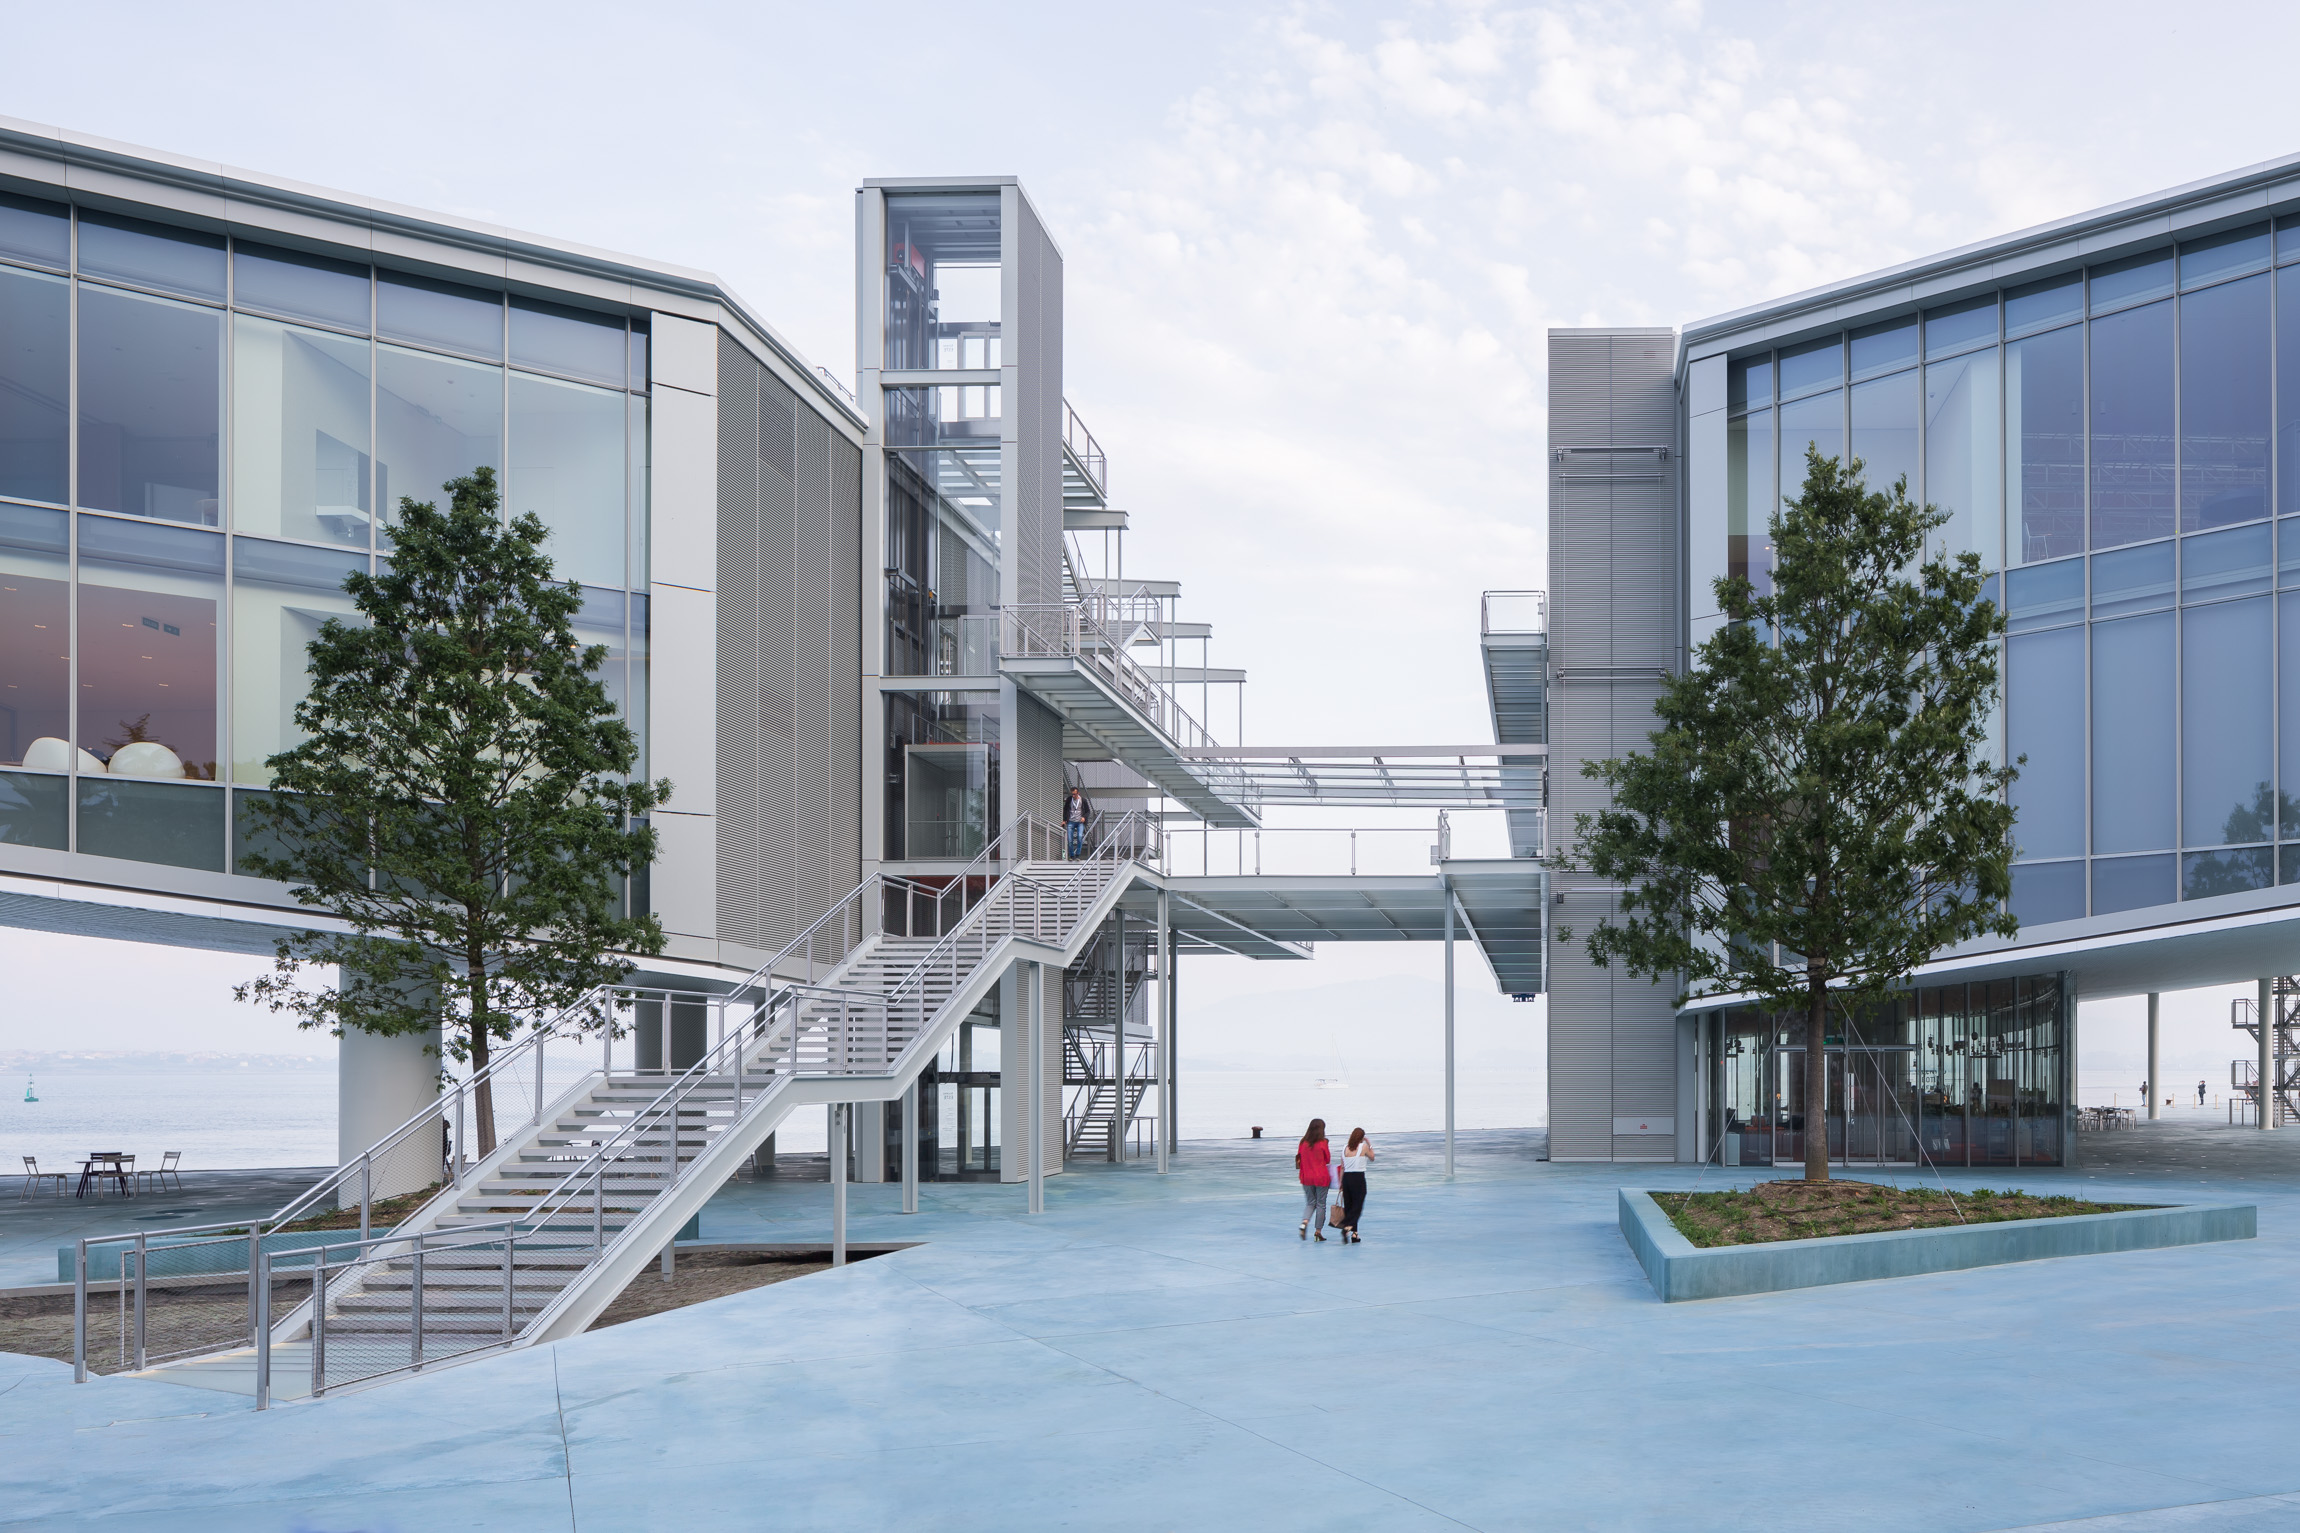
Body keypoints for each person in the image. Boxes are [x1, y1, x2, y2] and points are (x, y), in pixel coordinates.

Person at [1295, 1118, 1331, 1241]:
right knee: (1321, 1204)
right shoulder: (1323, 1143)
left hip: (1306, 1176)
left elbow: (1299, 1158)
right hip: (1321, 1176)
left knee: (1310, 1203)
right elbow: (1327, 1160)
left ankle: (1304, 1222)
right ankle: (1318, 1232)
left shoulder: (1302, 1143)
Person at [1338, 1127, 1374, 1243]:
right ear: (1361, 1138)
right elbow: (1372, 1157)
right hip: (1358, 1178)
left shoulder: (1344, 1148)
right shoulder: (1363, 1147)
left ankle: (1355, 1235)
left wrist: (1341, 1182)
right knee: (1357, 1206)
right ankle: (1347, 1227)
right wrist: (1369, 1144)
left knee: (1349, 1206)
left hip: (1347, 1178)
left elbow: (1342, 1167)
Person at [1065, 787, 1088, 859]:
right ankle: (1072, 855)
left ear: (1078, 793)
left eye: (1074, 794)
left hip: (1080, 822)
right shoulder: (1069, 799)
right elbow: (1065, 809)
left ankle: (1078, 854)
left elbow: (1088, 811)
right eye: (1072, 794)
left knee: (1080, 836)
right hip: (1071, 821)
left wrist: (1084, 817)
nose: (1073, 796)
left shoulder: (1083, 800)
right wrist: (1064, 819)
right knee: (1070, 839)